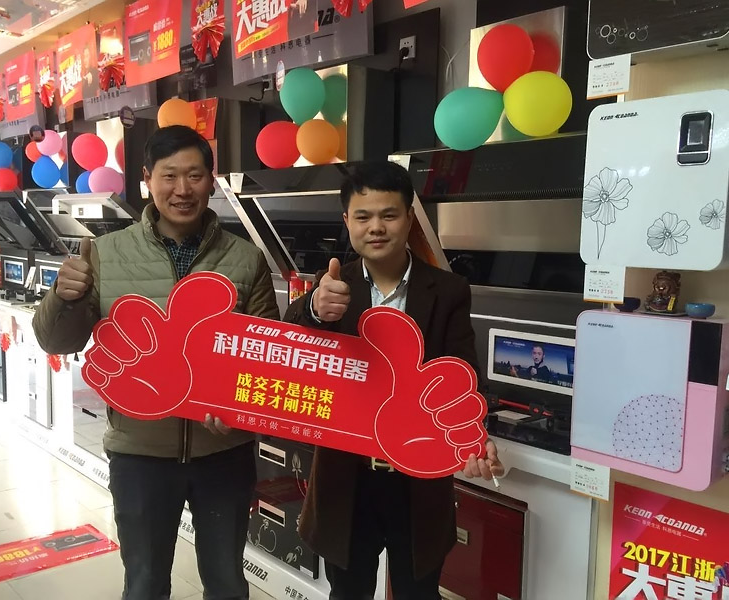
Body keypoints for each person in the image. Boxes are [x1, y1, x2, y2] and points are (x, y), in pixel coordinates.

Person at [33, 125, 279, 600]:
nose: (182, 189)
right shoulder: (106, 254)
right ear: (147, 179)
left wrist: (240, 411)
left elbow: (265, 360)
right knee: (144, 583)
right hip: (139, 452)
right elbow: (56, 340)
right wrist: (64, 298)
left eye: (194, 175)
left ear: (211, 180)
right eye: (169, 175)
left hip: (222, 453)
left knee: (227, 582)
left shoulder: (246, 259)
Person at [283, 161, 503, 600]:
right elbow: (290, 343)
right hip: (346, 478)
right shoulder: (332, 285)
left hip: (418, 478)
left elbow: (462, 374)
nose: (376, 227)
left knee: (418, 593)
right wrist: (313, 310)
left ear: (409, 217)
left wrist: (474, 435)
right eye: (363, 216)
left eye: (389, 214)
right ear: (347, 221)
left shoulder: (448, 290)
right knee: (348, 593)